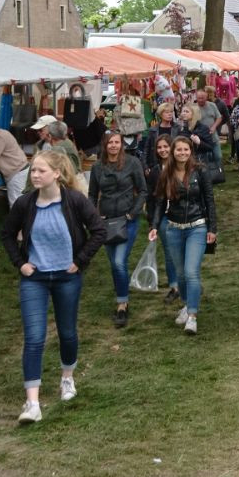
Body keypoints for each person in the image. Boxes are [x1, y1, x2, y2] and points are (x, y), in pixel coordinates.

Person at [1, 151, 106, 425]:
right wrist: (20, 264)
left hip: (66, 277)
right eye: (33, 170)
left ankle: (67, 378)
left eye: (41, 170)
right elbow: (7, 234)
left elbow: (99, 231)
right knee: (34, 338)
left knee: (67, 332)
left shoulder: (74, 201)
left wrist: (79, 262)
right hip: (34, 278)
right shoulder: (25, 203)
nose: (35, 175)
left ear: (57, 174)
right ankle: (32, 403)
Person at [147, 137, 217, 335]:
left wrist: (212, 228)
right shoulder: (165, 174)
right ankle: (187, 304)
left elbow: (210, 200)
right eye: (179, 150)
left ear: (190, 151)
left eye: (186, 149)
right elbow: (159, 203)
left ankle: (192, 317)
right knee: (180, 274)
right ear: (172, 152)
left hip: (197, 226)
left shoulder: (200, 171)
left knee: (191, 272)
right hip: (174, 228)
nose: (182, 153)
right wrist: (154, 225)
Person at [88, 131, 146, 328]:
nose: (113, 146)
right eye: (109, 143)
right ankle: (122, 294)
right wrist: (94, 217)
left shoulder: (132, 163)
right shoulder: (97, 167)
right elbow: (92, 194)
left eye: (116, 142)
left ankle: (122, 303)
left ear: (122, 144)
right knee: (114, 263)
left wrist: (132, 213)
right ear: (104, 146)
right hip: (106, 221)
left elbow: (143, 190)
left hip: (127, 219)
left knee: (120, 262)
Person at [143, 135, 181, 302]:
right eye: (159, 147)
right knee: (169, 252)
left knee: (185, 251)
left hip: (183, 215)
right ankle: (174, 286)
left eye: (166, 146)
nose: (163, 150)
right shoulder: (154, 171)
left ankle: (188, 282)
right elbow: (151, 199)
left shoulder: (181, 167)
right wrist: (153, 223)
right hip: (164, 217)